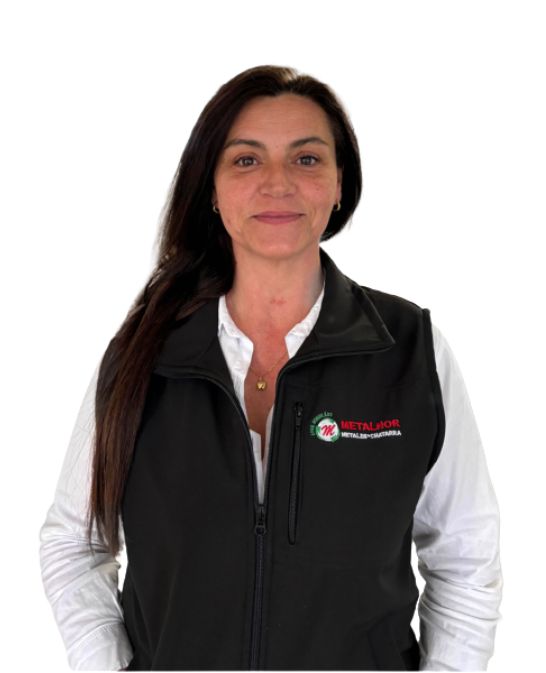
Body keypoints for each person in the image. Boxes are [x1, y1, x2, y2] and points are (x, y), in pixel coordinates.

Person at [38, 65, 502, 671]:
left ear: (339, 185)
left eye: (306, 159)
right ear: (212, 189)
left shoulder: (409, 350)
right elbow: (74, 542)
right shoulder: (143, 355)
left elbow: (466, 556)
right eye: (246, 160)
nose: (277, 182)